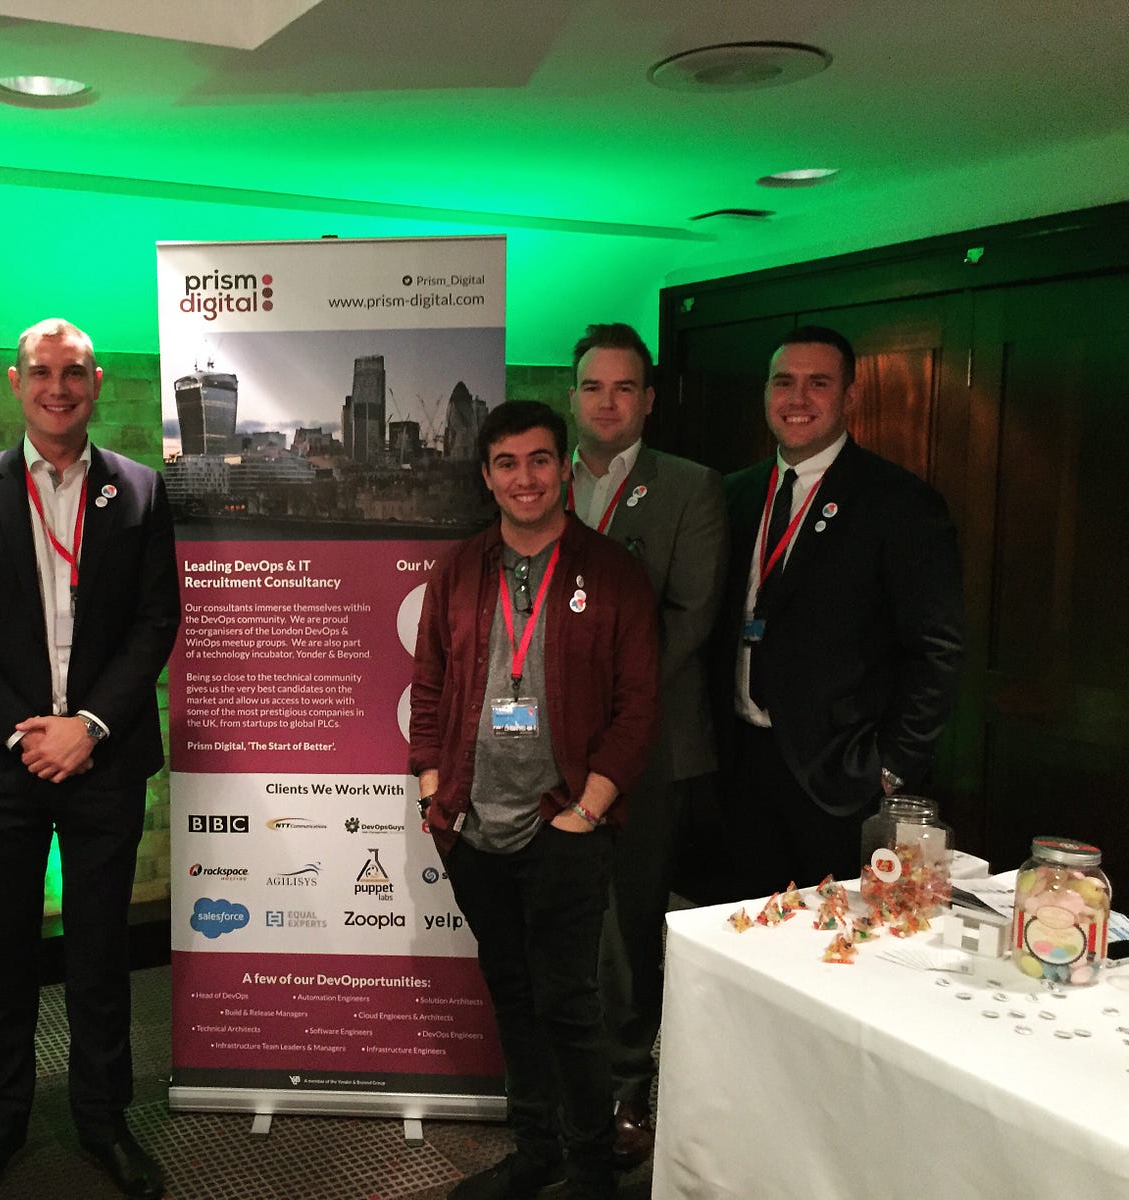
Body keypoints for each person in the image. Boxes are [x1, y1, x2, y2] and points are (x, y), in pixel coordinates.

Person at [0, 319, 179, 1200]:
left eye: (73, 372)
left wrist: (90, 726)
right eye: (41, 372)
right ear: (16, 382)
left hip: (104, 760)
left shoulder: (140, 490)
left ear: (96, 381)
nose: (57, 388)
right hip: (5, 764)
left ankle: (103, 1122)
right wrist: (27, 731)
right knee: (1, 953)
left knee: (101, 953)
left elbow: (156, 619)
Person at [409, 400, 659, 1200]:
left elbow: (638, 705)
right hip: (473, 826)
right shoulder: (458, 569)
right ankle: (537, 1150)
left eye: (540, 459)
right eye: (507, 463)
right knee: (512, 996)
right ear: (487, 477)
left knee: (569, 1005)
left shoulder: (611, 572)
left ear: (562, 470)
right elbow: (428, 684)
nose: (526, 478)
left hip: (565, 825)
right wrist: (432, 789)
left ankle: (590, 1171)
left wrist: (589, 809)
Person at [718, 325, 964, 897]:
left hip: (843, 778)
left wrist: (892, 765)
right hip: (742, 764)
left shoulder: (899, 502)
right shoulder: (732, 494)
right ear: (766, 393)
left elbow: (937, 650)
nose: (798, 398)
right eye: (784, 382)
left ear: (850, 396)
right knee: (751, 928)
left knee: (840, 935)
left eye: (818, 383)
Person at [566, 323, 727, 1165]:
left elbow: (689, 618)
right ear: (573, 397)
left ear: (649, 399)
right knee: (559, 919)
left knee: (628, 927)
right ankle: (562, 1081)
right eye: (594, 387)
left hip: (649, 749)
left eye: (624, 388)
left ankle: (629, 1088)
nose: (608, 403)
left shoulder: (691, 488)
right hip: (548, 747)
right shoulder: (542, 479)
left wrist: (602, 708)